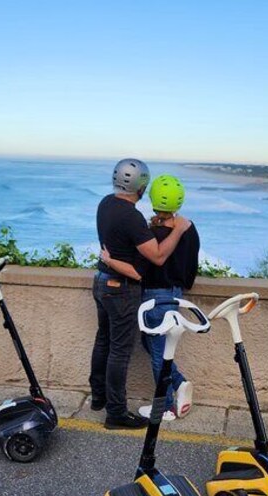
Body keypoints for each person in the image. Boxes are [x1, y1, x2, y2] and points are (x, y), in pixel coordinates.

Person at [90, 159, 192, 429]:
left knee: (103, 341)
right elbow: (157, 257)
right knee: (120, 351)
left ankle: (98, 397)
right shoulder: (131, 217)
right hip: (120, 289)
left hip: (101, 282)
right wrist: (179, 229)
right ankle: (116, 413)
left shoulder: (105, 203)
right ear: (142, 186)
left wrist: (110, 261)